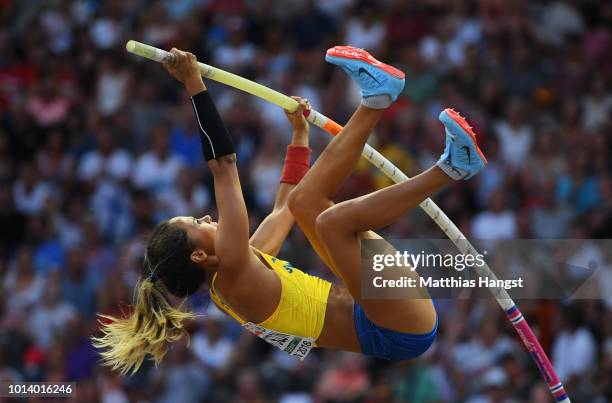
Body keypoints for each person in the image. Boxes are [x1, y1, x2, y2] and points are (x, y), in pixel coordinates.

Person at [93, 46, 487, 375]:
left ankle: (393, 111)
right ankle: (444, 161)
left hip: (379, 311)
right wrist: (194, 84)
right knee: (332, 223)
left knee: (305, 205)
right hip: (394, 327)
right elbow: (224, 165)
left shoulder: (236, 277)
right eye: (198, 223)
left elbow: (284, 207)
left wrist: (299, 138)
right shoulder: (232, 272)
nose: (208, 217)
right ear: (199, 255)